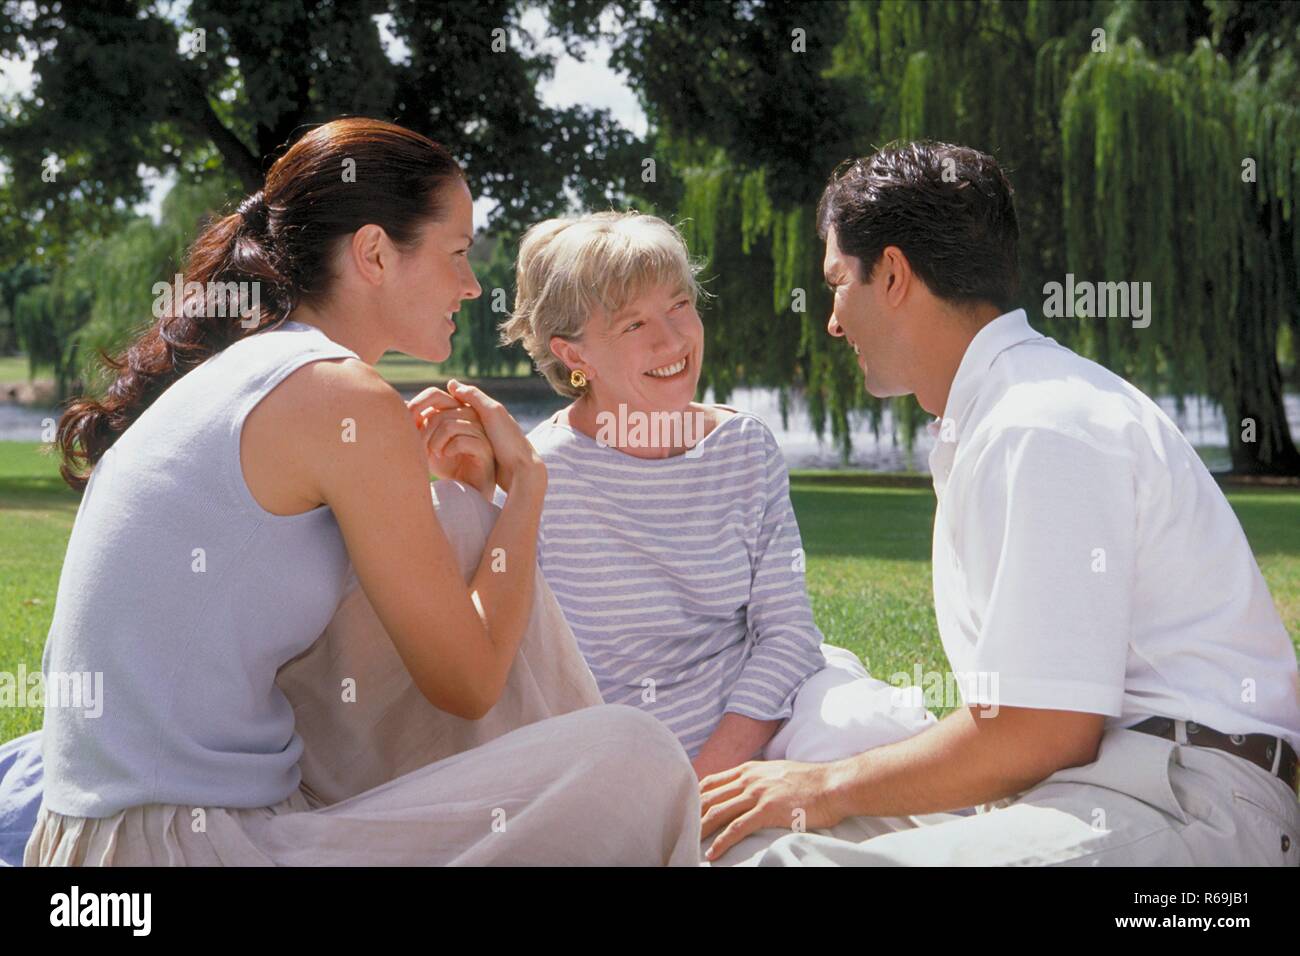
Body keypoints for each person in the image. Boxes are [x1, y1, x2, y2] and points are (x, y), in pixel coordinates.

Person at [22, 117, 701, 867]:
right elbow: (469, 683)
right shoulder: (340, 395)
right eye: (457, 253)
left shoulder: (253, 369)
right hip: (179, 850)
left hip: (95, 847)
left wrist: (469, 501)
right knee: (638, 759)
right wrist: (525, 491)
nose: (473, 284)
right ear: (375, 253)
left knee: (460, 524)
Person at [697, 141, 1300, 866]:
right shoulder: (1008, 411)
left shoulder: (1041, 422)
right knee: (752, 842)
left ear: (892, 274)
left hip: (1191, 804)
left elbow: (1044, 728)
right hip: (1090, 790)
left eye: (837, 283)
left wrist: (827, 783)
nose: (831, 320)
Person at [494, 211, 936, 794]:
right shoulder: (537, 477)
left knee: (876, 737)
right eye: (634, 325)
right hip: (621, 752)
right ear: (574, 356)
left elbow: (786, 635)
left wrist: (704, 781)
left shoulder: (743, 446)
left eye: (680, 304)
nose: (673, 339)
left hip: (768, 721)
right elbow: (525, 676)